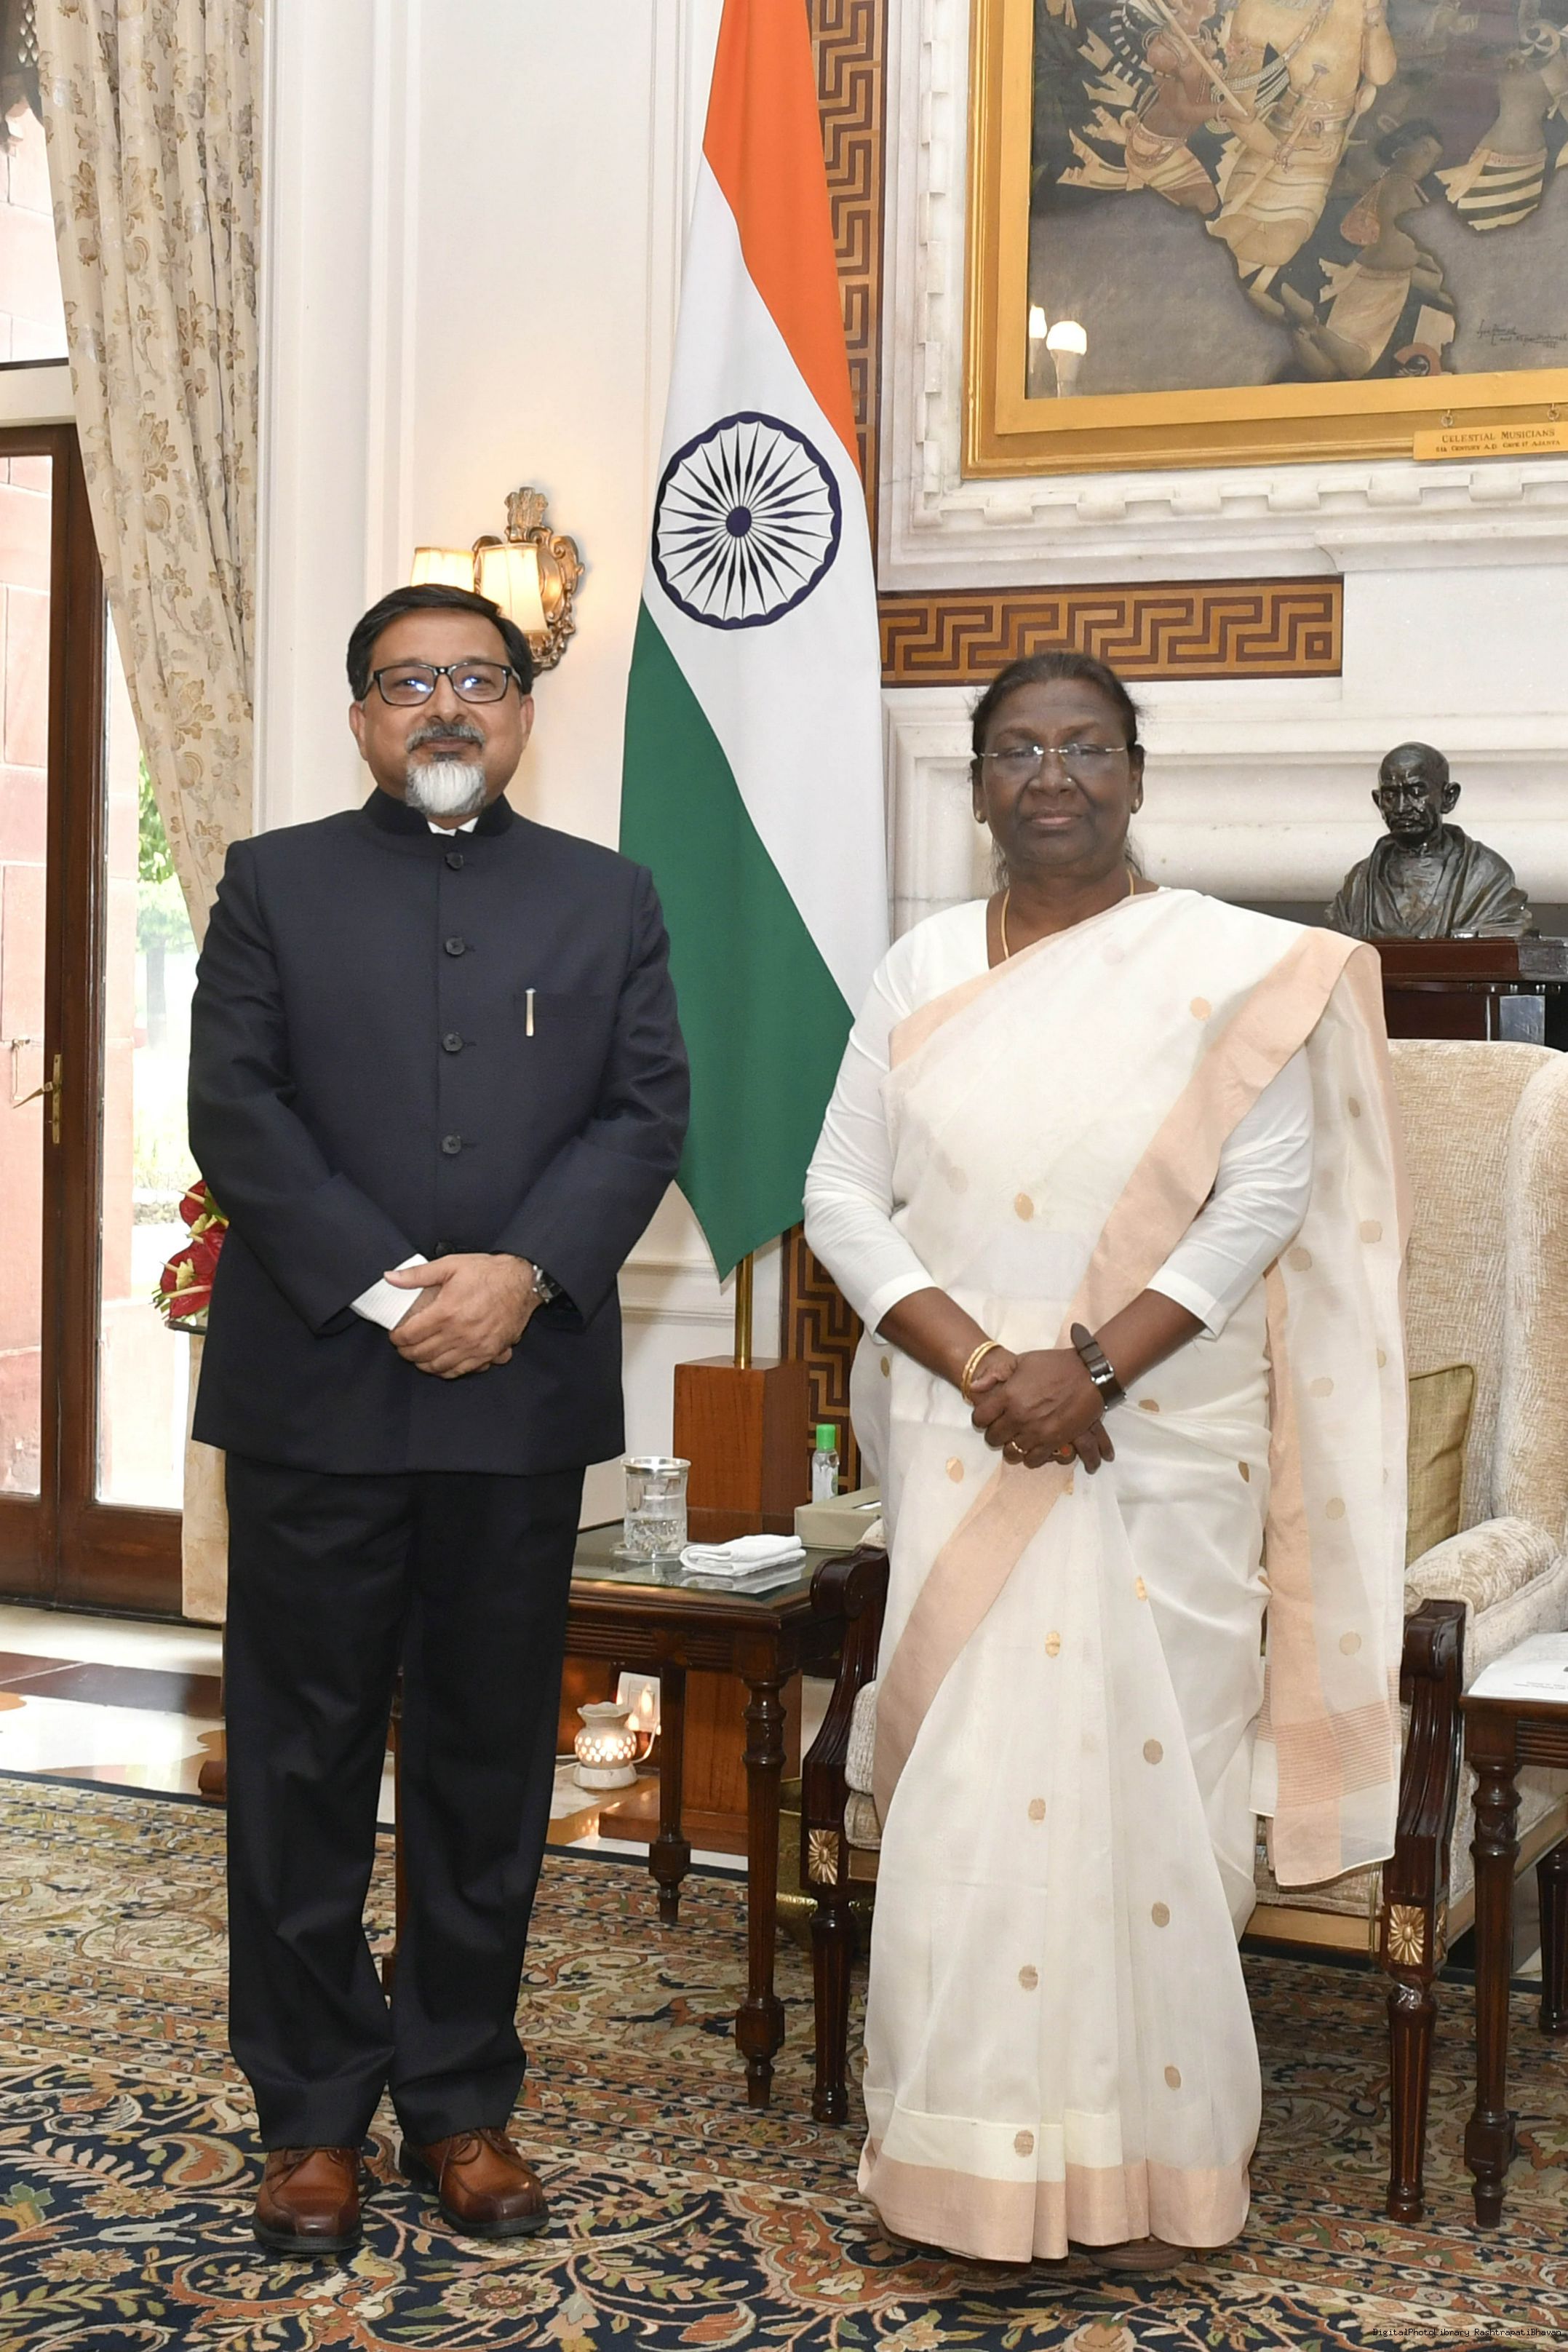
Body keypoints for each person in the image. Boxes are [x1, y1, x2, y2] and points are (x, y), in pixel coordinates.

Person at [803, 651, 1406, 2268]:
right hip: (962, 1425)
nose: (1051, 775)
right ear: (978, 787)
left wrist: (1088, 1370)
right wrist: (984, 1363)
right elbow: (842, 1194)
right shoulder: (922, 965)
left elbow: (1260, 1197)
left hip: (1161, 1431)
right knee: (964, 1800)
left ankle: (1155, 2172)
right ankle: (957, 2168)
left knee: (1158, 1801)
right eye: (1018, 750)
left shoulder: (1231, 967)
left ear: (1138, 773)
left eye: (1084, 746)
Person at [188, 582, 688, 2257]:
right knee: (300, 1760)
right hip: (316, 1395)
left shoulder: (607, 897)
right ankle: (310, 2114)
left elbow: (643, 1111)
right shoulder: (273, 883)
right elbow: (236, 1108)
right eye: (407, 683)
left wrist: (522, 1274)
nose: (446, 706)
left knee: (485, 1762)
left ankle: (461, 2100)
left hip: (514, 1399)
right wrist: (392, 1284)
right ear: (360, 718)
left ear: (526, 710)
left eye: (478, 676)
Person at [1325, 739, 1531, 937]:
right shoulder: (1358, 884)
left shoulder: (1486, 875)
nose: (1401, 807)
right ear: (1378, 802)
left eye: (1416, 793)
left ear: (1448, 797)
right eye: (1390, 796)